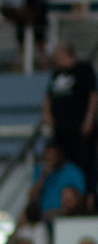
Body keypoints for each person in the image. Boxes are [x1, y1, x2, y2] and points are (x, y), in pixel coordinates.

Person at [43, 42, 97, 194]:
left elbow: (92, 95)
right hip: (61, 129)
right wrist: (47, 116)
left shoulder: (83, 69)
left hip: (79, 127)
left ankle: (87, 197)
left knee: (85, 164)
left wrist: (89, 118)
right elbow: (48, 97)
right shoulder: (57, 73)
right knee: (61, 163)